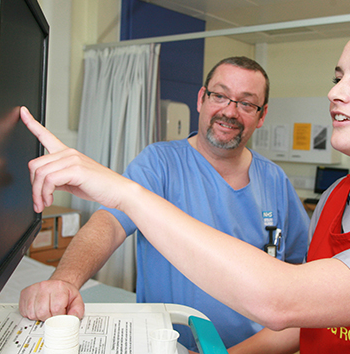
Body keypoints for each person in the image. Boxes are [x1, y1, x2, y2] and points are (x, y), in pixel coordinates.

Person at [19, 8, 350, 354]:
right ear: (200, 99)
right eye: (339, 75)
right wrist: (65, 277)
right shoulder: (342, 197)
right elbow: (307, 321)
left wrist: (122, 188)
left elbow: (285, 297)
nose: (335, 92)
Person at [18, 56, 310, 351]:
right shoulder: (159, 164)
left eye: (247, 103)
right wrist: (66, 280)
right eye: (219, 96)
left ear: (262, 116)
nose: (230, 111)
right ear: (201, 99)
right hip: (171, 346)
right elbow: (107, 224)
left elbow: (302, 273)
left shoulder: (275, 181)